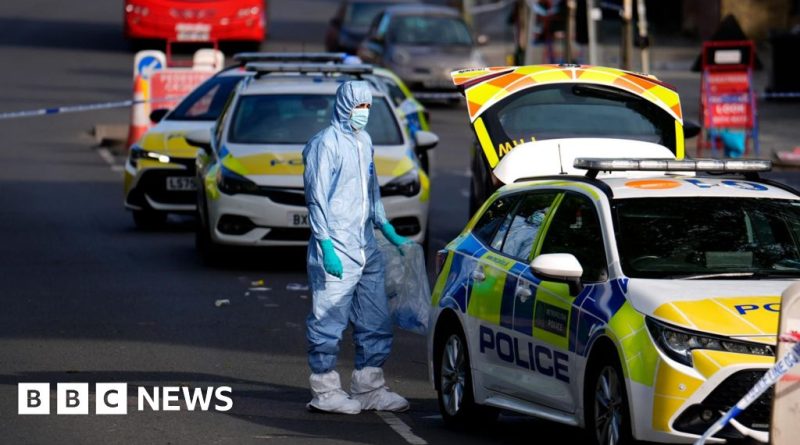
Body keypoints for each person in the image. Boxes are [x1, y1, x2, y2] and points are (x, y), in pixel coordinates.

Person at [302, 80, 411, 415]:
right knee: (328, 319)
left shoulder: (364, 141)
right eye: (358, 106)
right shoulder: (325, 144)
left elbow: (370, 188)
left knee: (375, 318)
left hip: (365, 245)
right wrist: (326, 245)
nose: (363, 113)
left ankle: (368, 387)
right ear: (344, 105)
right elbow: (316, 198)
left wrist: (386, 226)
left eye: (367, 107)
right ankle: (325, 390)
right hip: (335, 245)